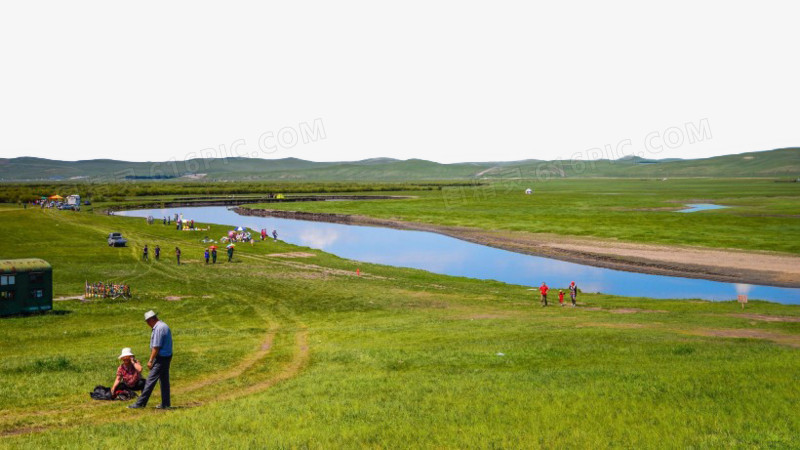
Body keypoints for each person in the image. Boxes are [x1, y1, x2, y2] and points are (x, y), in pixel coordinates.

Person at [128, 311, 172, 409]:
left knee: (150, 381)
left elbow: (156, 347)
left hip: (161, 358)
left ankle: (140, 404)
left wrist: (151, 360)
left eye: (148, 321)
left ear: (152, 319)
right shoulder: (163, 325)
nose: (148, 324)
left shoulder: (158, 328)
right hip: (167, 357)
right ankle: (166, 403)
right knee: (164, 381)